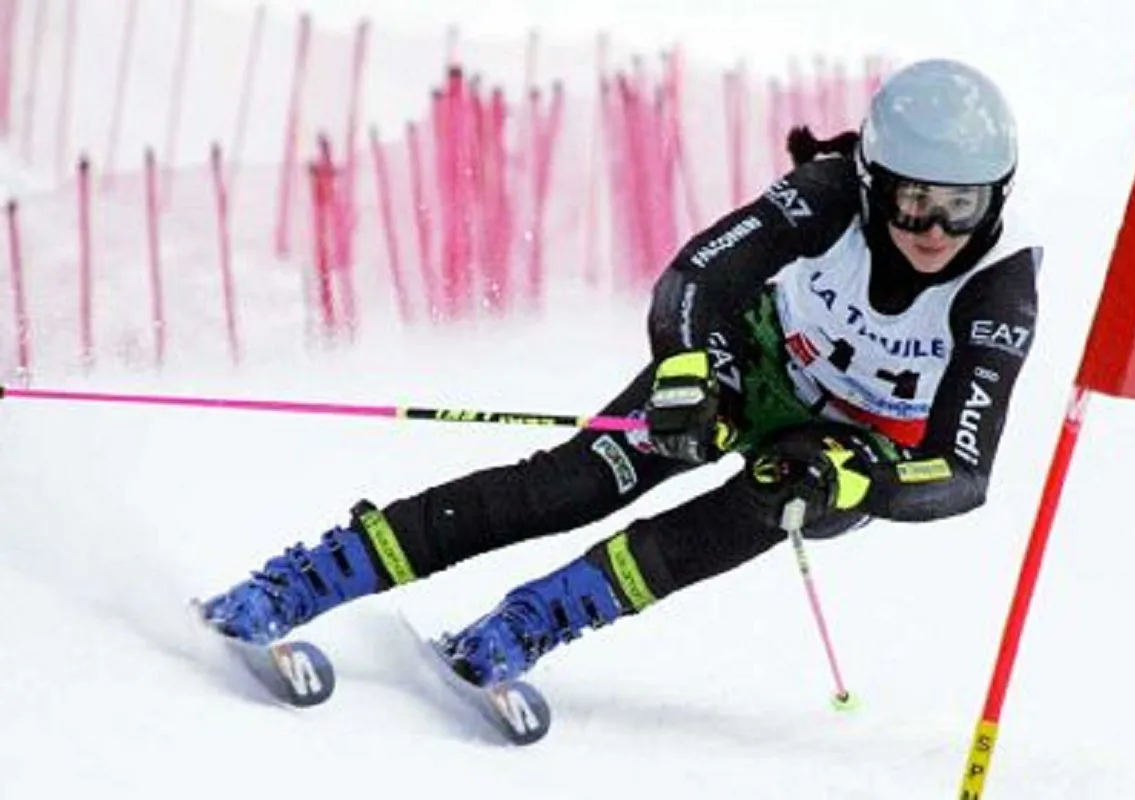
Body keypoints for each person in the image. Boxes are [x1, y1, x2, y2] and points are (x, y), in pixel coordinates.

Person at [202, 58, 1041, 688]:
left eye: (962, 205)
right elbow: (696, 279)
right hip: (752, 360)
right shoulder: (824, 197)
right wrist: (692, 373)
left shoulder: (997, 290)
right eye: (913, 200)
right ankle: (321, 573)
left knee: (748, 507)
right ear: (873, 182)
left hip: (845, 448)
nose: (934, 228)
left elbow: (963, 471)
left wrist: (855, 479)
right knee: (573, 483)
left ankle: (530, 622)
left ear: (995, 199)